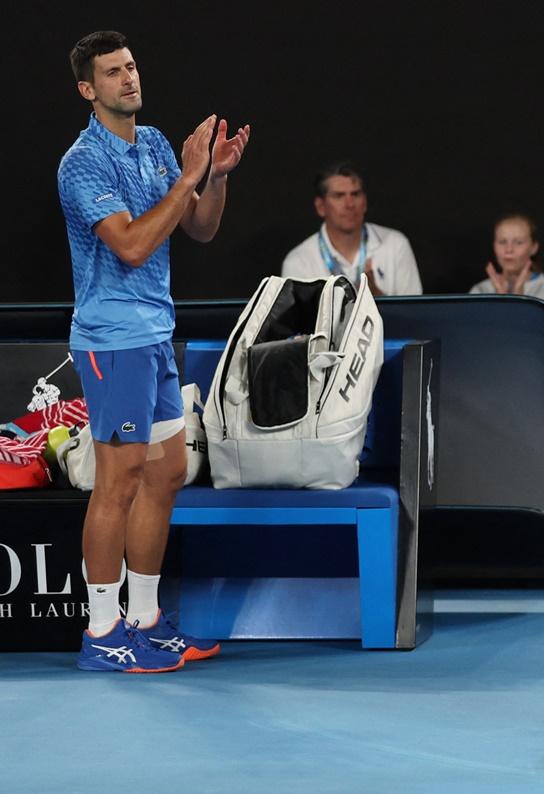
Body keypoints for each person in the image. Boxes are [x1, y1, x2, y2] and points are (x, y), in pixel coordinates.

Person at [58, 30, 250, 672]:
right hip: (112, 343)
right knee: (118, 482)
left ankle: (143, 618)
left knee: (166, 473)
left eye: (132, 67)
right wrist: (189, 177)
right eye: (113, 73)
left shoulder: (159, 144)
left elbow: (196, 226)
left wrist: (214, 179)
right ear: (89, 89)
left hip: (155, 335)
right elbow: (134, 246)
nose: (129, 79)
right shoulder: (81, 164)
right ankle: (101, 630)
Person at [282, 162, 422, 296]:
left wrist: (378, 299)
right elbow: (300, 321)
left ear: (365, 202)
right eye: (339, 196)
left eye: (355, 194)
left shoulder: (395, 245)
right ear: (320, 207)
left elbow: (415, 317)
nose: (349, 204)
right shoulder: (299, 262)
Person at [469, 212, 544, 328]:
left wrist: (519, 303)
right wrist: (500, 301)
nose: (509, 249)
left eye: (518, 242)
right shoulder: (480, 291)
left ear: (534, 247)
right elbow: (475, 340)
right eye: (502, 242)